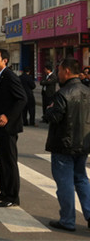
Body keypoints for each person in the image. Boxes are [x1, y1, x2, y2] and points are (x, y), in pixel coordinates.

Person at [44, 58, 90, 232]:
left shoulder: (63, 93)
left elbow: (54, 117)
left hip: (64, 144)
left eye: (60, 70)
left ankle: (67, 220)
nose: (58, 74)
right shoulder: (87, 91)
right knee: (81, 179)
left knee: (65, 183)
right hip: (83, 144)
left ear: (67, 71)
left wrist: (48, 110)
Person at [0, 49, 27, 207]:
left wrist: (8, 116)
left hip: (8, 128)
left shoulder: (10, 76)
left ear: (5, 60)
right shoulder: (0, 76)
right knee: (2, 160)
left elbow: (22, 99)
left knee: (9, 162)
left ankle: (12, 197)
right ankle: (4, 192)